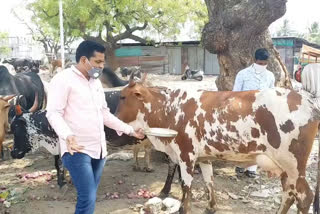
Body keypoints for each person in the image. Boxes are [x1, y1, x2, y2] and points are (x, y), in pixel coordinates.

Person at [46, 40, 145, 214]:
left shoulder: (95, 83)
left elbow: (105, 114)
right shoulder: (62, 80)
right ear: (84, 60)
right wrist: (67, 135)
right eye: (98, 62)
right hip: (76, 149)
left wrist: (130, 130)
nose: (102, 66)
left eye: (103, 62)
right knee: (87, 197)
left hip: (99, 150)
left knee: (89, 196)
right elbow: (53, 113)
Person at [233, 48, 275, 178]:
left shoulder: (270, 76)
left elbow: (271, 94)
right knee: (243, 140)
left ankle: (252, 168)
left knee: (257, 142)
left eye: (264, 64)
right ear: (254, 60)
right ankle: (240, 166)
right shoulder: (243, 74)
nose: (262, 66)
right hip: (244, 113)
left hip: (262, 114)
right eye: (260, 63)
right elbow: (235, 93)